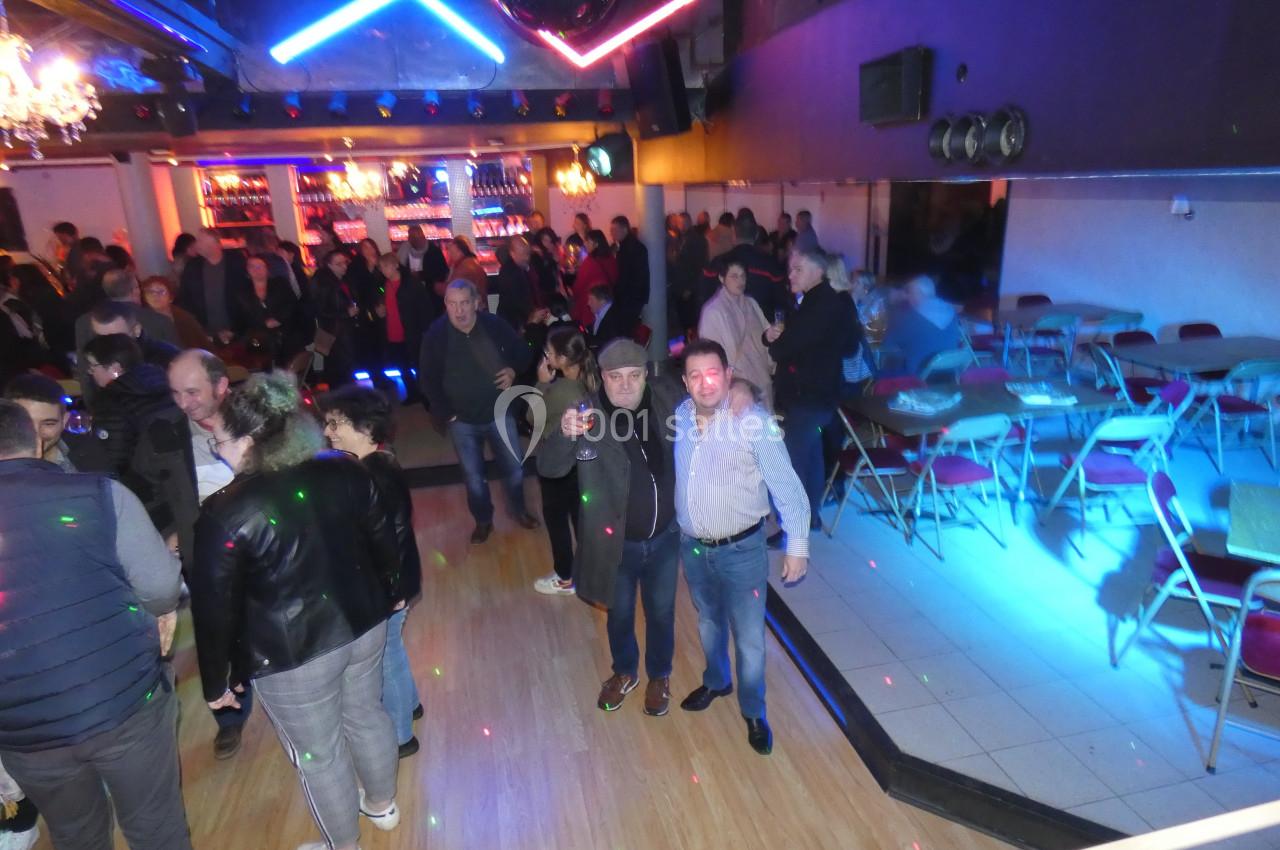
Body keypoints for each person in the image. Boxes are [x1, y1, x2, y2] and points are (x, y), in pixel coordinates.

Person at [190, 374, 403, 850]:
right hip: (365, 623)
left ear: (248, 441)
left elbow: (214, 607)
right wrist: (390, 594)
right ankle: (382, 805)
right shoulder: (344, 467)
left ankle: (342, 845)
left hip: (293, 655)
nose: (217, 451)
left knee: (320, 756)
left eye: (219, 441)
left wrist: (217, 680)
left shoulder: (226, 511)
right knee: (367, 714)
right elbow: (383, 541)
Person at [0, 398, 192, 850]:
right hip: (123, 703)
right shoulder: (99, 494)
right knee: (156, 827)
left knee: (75, 835)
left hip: (24, 730)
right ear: (38, 441)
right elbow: (162, 587)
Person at [675, 339, 810, 755]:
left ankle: (753, 711)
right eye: (695, 375)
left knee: (749, 638)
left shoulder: (753, 423)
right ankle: (717, 681)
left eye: (713, 373)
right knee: (708, 622)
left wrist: (797, 545)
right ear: (685, 382)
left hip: (742, 551)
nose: (705, 383)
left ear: (728, 375)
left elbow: (787, 487)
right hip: (693, 549)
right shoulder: (680, 415)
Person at [322, 386, 424, 758]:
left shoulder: (373, 476)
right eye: (327, 423)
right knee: (393, 650)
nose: (328, 431)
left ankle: (401, 736)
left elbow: (389, 539)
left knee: (386, 658)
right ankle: (411, 705)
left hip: (388, 586)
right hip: (396, 581)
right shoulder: (377, 464)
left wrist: (390, 589)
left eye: (336, 424)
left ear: (365, 428)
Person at [164, 350, 255, 758]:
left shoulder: (258, 420)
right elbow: (151, 490)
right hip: (206, 556)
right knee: (217, 635)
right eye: (175, 393)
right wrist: (170, 530)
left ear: (221, 386)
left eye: (192, 392)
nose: (183, 403)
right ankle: (230, 717)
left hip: (261, 546)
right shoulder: (166, 433)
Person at [418, 280, 538, 543]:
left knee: (514, 469)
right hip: (461, 420)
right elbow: (427, 378)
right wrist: (446, 412)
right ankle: (483, 521)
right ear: (445, 305)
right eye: (452, 304)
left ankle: (518, 510)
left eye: (464, 303)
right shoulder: (436, 335)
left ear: (476, 303)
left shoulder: (494, 326)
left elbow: (523, 352)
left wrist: (513, 370)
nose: (458, 310)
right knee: (473, 478)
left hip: (500, 414)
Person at [764, 245, 864, 537]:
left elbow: (782, 350)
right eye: (790, 270)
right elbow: (849, 346)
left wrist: (775, 340)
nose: (790, 275)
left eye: (798, 270)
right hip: (822, 396)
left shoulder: (818, 306)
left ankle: (794, 528)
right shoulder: (832, 301)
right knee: (812, 456)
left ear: (818, 271)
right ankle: (811, 518)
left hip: (807, 398)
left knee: (793, 463)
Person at [531, 325, 598, 596]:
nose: (545, 355)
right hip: (581, 464)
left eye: (549, 352)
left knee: (557, 521)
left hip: (558, 465)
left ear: (561, 359)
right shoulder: (590, 380)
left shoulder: (561, 390)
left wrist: (541, 383)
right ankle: (590, 573)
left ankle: (565, 577)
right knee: (580, 519)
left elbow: (532, 418)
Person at [698, 258, 774, 408]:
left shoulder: (751, 304)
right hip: (737, 384)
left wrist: (770, 337)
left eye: (743, 276)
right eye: (734, 276)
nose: (740, 281)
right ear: (722, 278)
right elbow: (710, 354)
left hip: (760, 376)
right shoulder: (713, 311)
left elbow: (764, 333)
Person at [696, 213, 786, 321]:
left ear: (733, 233)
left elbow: (704, 298)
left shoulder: (717, 263)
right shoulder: (771, 265)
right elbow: (782, 303)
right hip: (763, 326)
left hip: (727, 326)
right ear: (757, 235)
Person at [178, 228, 251, 348]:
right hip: (205, 335)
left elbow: (247, 296)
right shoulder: (192, 267)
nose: (196, 245)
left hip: (236, 333)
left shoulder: (236, 262)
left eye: (200, 241)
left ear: (214, 243)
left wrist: (237, 329)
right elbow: (185, 299)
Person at [75, 268, 178, 352]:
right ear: (135, 290)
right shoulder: (160, 321)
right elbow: (176, 359)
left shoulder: (83, 322)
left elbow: (83, 365)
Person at [880, 274, 962, 376]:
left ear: (919, 293)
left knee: (877, 367)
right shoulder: (950, 311)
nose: (907, 297)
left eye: (910, 292)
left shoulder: (911, 317)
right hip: (949, 373)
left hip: (917, 375)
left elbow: (886, 344)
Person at [377, 252, 431, 405]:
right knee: (402, 366)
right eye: (381, 267)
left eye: (386, 266)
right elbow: (382, 301)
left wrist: (424, 330)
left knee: (418, 365)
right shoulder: (384, 285)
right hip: (393, 332)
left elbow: (424, 308)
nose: (383, 270)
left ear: (395, 265)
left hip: (411, 332)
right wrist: (380, 310)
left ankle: (426, 396)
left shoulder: (411, 284)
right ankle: (412, 393)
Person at [4, 373, 78, 471]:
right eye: (25, 422)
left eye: (48, 424)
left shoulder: (91, 456)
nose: (36, 434)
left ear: (64, 421)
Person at [240, 255, 303, 364]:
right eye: (252, 266)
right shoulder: (242, 291)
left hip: (285, 336)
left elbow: (292, 305)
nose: (256, 269)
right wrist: (263, 323)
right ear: (247, 270)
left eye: (260, 266)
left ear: (267, 268)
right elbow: (242, 316)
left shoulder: (280, 284)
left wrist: (278, 319)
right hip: (258, 340)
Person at [312, 250, 358, 388]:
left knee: (343, 367)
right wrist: (346, 313)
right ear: (329, 265)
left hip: (340, 330)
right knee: (338, 368)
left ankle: (345, 393)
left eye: (345, 262)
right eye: (339, 264)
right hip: (333, 331)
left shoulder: (341, 279)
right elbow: (319, 310)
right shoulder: (323, 282)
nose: (344, 266)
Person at [142, 274, 210, 349]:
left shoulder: (185, 318)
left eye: (161, 291)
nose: (155, 295)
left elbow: (203, 344)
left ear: (171, 297)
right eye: (150, 291)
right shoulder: (142, 319)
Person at [610, 215, 649, 335]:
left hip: (630, 298)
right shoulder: (626, 247)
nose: (612, 233)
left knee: (626, 330)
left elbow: (635, 276)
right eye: (611, 230)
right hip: (630, 297)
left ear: (625, 229)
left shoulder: (632, 248)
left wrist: (621, 294)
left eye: (615, 230)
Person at [495, 236, 543, 331]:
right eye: (523, 254)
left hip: (517, 320)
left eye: (528, 253)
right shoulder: (510, 272)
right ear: (512, 254)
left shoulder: (523, 267)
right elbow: (518, 301)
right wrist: (532, 315)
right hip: (514, 322)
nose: (527, 257)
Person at [396, 225, 449, 311]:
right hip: (412, 294)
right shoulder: (404, 250)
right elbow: (399, 267)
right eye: (413, 238)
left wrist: (420, 275)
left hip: (431, 296)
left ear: (423, 237)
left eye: (418, 237)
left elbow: (441, 273)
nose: (417, 241)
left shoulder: (434, 251)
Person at [571, 229, 617, 328]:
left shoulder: (589, 262)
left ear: (596, 244)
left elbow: (579, 286)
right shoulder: (611, 259)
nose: (585, 244)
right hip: (606, 303)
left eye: (588, 241)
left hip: (590, 304)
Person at [587, 285, 627, 350]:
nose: (588, 303)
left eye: (591, 300)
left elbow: (610, 343)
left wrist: (588, 342)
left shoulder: (614, 318)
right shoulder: (602, 312)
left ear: (602, 301)